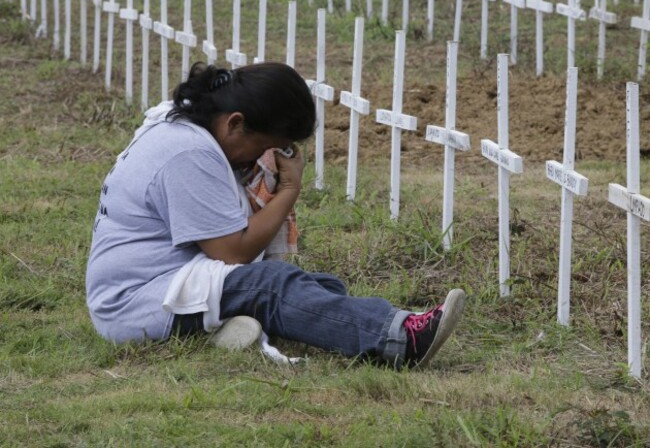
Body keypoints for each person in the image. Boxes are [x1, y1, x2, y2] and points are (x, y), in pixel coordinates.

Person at [85, 61, 466, 370]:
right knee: (274, 286)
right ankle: (401, 338)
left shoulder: (184, 127)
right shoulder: (188, 154)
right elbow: (234, 253)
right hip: (137, 301)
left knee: (319, 288)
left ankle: (231, 329)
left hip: (162, 284)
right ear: (235, 123)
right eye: (265, 146)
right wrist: (287, 190)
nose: (262, 159)